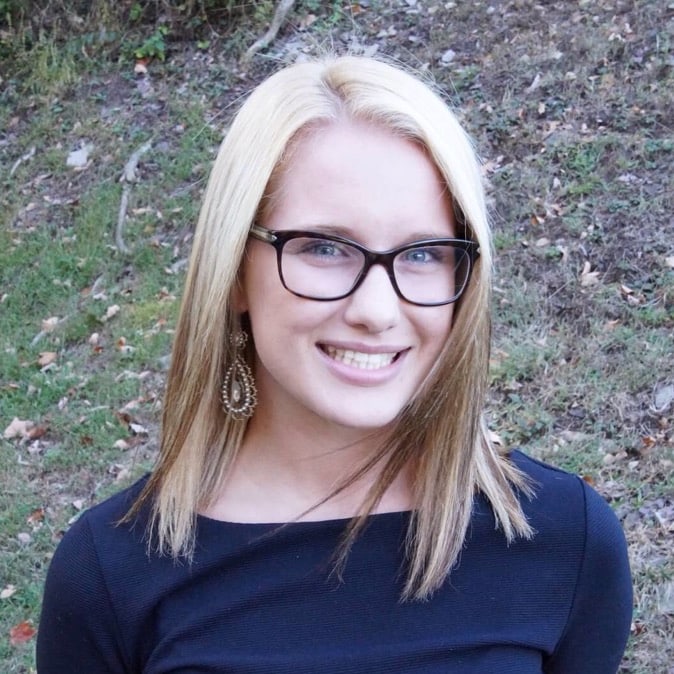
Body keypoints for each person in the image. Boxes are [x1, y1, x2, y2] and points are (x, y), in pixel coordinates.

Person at [37, 55, 632, 673]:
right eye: (324, 247)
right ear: (234, 272)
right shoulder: (111, 575)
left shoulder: (566, 543)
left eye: (424, 253)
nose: (377, 309)